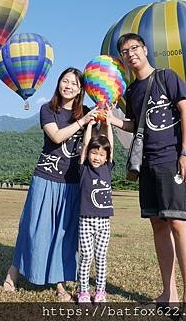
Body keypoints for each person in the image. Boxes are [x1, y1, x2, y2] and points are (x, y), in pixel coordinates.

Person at [108, 33, 186, 304]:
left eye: (134, 48)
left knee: (178, 222)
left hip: (171, 159)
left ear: (145, 49)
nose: (130, 53)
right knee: (158, 224)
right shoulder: (132, 91)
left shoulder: (166, 77)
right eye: (125, 51)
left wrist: (185, 153)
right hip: (146, 163)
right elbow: (135, 124)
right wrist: (112, 119)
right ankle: (167, 293)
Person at [3, 68, 98, 301]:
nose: (69, 86)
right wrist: (82, 121)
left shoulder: (85, 111)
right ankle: (13, 273)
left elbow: (90, 144)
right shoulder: (48, 109)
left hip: (73, 182)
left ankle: (60, 285)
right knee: (33, 228)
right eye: (65, 81)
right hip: (45, 178)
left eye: (74, 83)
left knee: (64, 234)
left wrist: (97, 119)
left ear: (80, 89)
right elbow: (55, 137)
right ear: (58, 84)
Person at [77, 115, 115, 304]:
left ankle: (100, 291)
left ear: (106, 157)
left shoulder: (107, 168)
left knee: (101, 257)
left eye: (101, 154)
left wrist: (108, 125)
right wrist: (90, 126)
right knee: (85, 257)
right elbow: (84, 147)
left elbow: (111, 146)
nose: (96, 157)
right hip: (85, 219)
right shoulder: (84, 168)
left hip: (104, 221)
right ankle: (83, 291)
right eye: (94, 153)